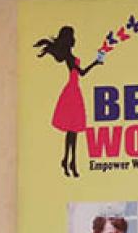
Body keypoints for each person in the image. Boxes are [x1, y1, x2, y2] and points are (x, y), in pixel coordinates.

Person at [34, 25, 103, 178]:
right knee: (72, 131)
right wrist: (95, 63)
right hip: (71, 93)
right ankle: (70, 161)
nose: (75, 39)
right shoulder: (70, 58)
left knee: (73, 132)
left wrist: (95, 63)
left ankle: (68, 161)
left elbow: (82, 73)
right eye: (73, 37)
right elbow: (82, 73)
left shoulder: (71, 57)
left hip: (74, 91)